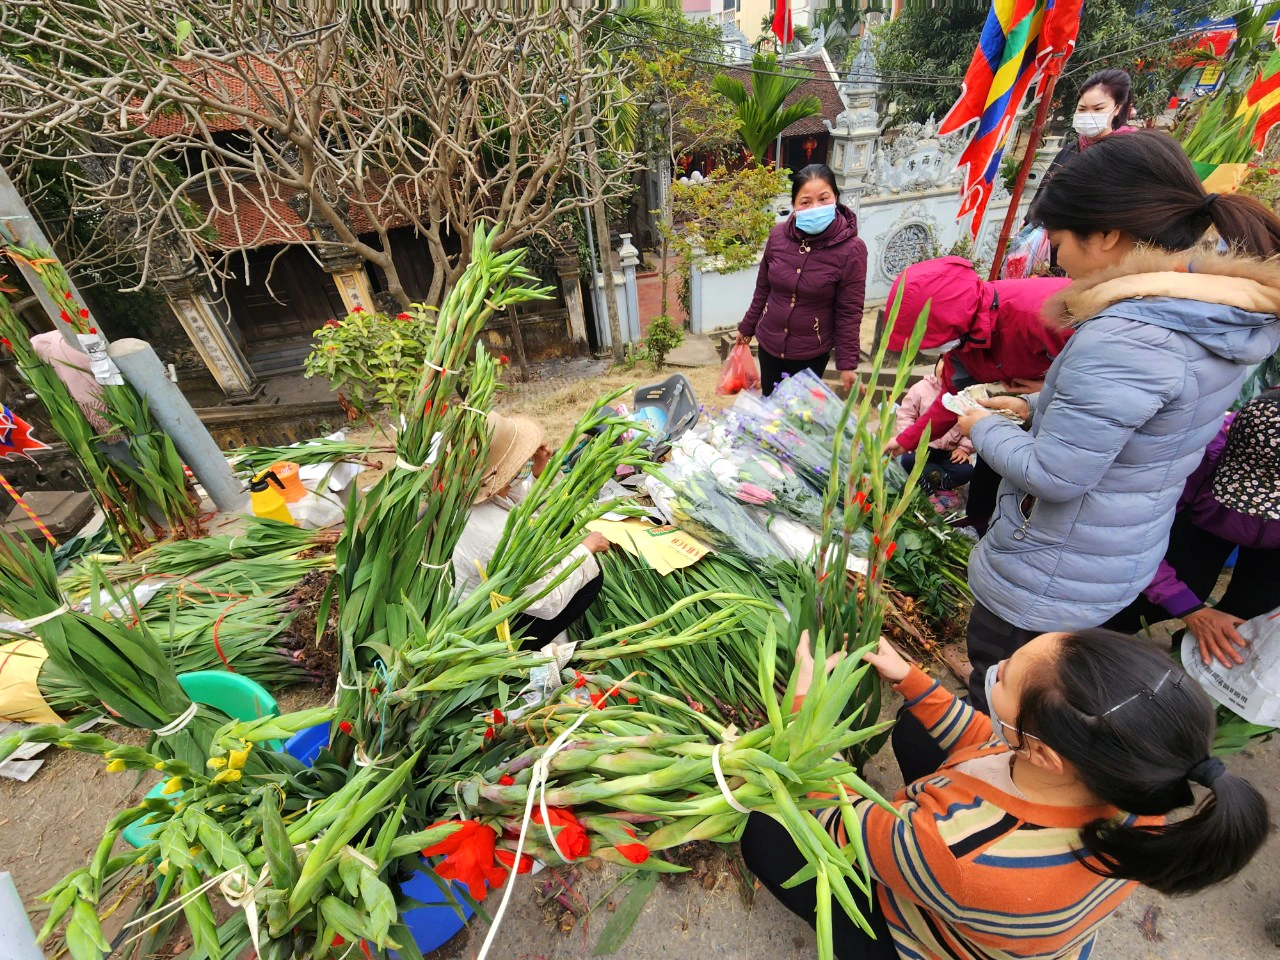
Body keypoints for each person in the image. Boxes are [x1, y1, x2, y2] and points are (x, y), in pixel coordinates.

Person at [956, 130, 1280, 710]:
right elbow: (1150, 428)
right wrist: (1033, 409)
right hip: (1110, 559)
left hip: (1049, 574)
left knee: (1004, 703)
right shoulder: (1214, 314)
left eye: (1058, 239)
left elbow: (1056, 475)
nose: (1054, 256)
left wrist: (981, 423)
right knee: (1056, 702)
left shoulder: (1129, 337)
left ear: (1106, 234)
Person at [741, 629, 1270, 960]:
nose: (993, 678)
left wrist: (807, 711)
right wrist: (909, 679)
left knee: (767, 832)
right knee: (917, 726)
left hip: (945, 934)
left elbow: (839, 816)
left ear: (1043, 754)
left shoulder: (959, 850)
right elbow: (992, 748)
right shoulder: (1146, 785)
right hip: (1016, 913)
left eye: (1006, 681)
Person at [882, 257, 1071, 533]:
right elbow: (951, 400)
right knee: (986, 485)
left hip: (1063, 431)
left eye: (928, 339)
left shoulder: (1042, 312)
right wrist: (905, 440)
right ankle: (980, 529)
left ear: (948, 319)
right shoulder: (964, 343)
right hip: (1014, 422)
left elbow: (1099, 384)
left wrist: (1044, 391)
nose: (931, 350)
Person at [1106, 392, 1280, 668]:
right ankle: (1102, 640)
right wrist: (1189, 609)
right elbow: (1137, 535)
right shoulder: (1199, 455)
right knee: (1174, 590)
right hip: (1207, 524)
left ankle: (1194, 663)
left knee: (1253, 611)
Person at [452, 412, 609, 649]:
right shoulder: (495, 532)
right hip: (491, 632)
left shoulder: (480, 498)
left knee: (563, 531)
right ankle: (525, 650)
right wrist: (584, 551)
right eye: (518, 459)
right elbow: (545, 601)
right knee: (591, 577)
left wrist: (540, 470)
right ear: (502, 472)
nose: (523, 460)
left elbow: (532, 508)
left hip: (492, 593)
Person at [737, 164, 867, 396]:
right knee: (770, 407)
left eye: (823, 199)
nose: (815, 207)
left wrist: (847, 364)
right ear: (794, 206)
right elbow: (763, 288)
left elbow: (849, 309)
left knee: (799, 418)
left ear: (836, 198)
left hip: (810, 352)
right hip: (770, 344)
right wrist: (747, 328)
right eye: (805, 202)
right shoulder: (778, 236)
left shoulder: (852, 250)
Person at [894, 358, 975, 493]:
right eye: (945, 361)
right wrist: (909, 439)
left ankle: (942, 487)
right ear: (937, 362)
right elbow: (906, 415)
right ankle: (926, 490)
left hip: (950, 450)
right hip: (921, 446)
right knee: (908, 461)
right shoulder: (920, 388)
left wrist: (964, 448)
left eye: (956, 364)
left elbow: (972, 426)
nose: (947, 369)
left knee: (966, 472)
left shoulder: (968, 395)